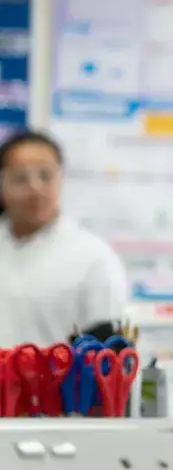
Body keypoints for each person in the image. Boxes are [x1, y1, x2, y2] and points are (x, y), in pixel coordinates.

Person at [0, 129, 128, 347]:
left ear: (60, 179)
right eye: (20, 178)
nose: (35, 188)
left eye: (45, 175)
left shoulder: (93, 258)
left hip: (61, 381)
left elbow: (108, 356)